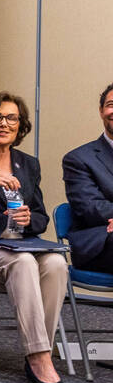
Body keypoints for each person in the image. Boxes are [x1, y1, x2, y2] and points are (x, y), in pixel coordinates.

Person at [0, 92, 69, 383]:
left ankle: (42, 349)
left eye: (11, 117)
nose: (3, 123)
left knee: (56, 263)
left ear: (20, 125)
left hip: (18, 244)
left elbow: (40, 215)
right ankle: (38, 358)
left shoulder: (28, 164)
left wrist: (27, 220)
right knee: (23, 262)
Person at [62, 82, 113, 273]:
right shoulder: (79, 159)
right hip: (100, 243)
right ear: (101, 111)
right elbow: (91, 208)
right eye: (111, 104)